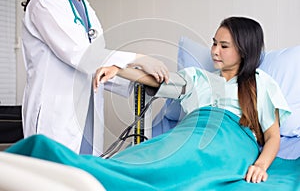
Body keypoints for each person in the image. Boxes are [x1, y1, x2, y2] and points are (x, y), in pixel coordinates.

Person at [6, 16, 295, 190]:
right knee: (153, 153)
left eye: (223, 46)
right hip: (191, 131)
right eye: (213, 43)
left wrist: (260, 165)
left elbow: (272, 137)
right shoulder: (197, 77)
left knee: (188, 162)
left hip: (230, 140)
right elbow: (160, 80)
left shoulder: (259, 83)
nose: (214, 51)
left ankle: (91, 179)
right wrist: (119, 69)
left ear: (244, 49)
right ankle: (76, 170)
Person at [20, 0, 169, 156]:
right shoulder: (45, 1)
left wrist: (125, 73)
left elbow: (98, 62)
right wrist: (138, 58)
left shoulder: (82, 3)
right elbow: (83, 56)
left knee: (83, 172)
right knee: (54, 174)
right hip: (56, 114)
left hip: (86, 112)